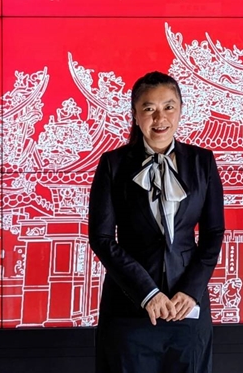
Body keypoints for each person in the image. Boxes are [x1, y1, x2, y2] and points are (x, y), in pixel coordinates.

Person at [89, 71, 225, 373]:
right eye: (149, 108)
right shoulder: (113, 165)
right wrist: (148, 293)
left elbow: (213, 233)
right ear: (135, 114)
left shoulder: (203, 162)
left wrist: (191, 291)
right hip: (129, 309)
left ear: (181, 110)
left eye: (169, 107)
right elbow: (102, 238)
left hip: (186, 309)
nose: (160, 118)